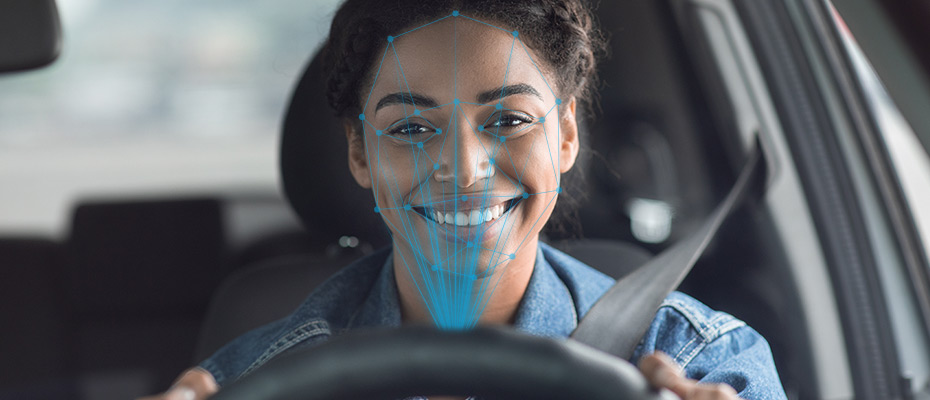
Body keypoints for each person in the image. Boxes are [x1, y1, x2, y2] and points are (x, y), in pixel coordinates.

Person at [141, 0, 787, 399]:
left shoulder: (702, 364)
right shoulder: (255, 384)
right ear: (360, 154)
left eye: (508, 120)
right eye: (411, 129)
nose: (465, 169)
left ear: (565, 136)